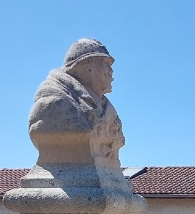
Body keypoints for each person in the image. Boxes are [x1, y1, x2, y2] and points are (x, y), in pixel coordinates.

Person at [28, 38, 124, 167]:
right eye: (105, 63)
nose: (111, 71)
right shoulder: (56, 102)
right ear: (87, 64)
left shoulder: (106, 108)